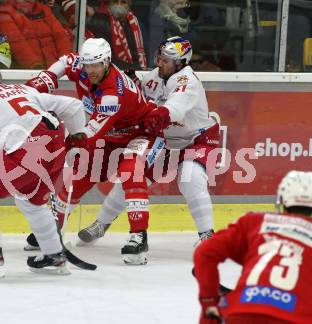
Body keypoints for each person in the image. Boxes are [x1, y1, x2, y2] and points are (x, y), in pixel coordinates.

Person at [26, 38, 159, 265]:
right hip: (111, 134)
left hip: (141, 133)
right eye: (87, 65)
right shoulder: (84, 67)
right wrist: (46, 78)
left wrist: (68, 143)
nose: (91, 70)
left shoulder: (113, 93)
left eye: (96, 65)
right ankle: (50, 229)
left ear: (107, 61)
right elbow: (66, 60)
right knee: (80, 175)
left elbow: (90, 132)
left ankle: (139, 236)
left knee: (130, 171)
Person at [77, 36, 219, 248]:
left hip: (196, 140)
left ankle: (208, 236)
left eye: (166, 61)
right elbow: (140, 100)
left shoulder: (187, 81)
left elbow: (176, 107)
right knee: (132, 178)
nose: (160, 63)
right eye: (159, 58)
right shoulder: (155, 76)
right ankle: (101, 223)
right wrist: (133, 85)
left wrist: (160, 113)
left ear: (180, 63)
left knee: (191, 179)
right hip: (164, 140)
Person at [0, 58, 87, 279]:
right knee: (30, 201)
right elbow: (74, 106)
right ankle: (53, 256)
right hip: (56, 146)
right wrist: (77, 137)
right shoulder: (22, 90)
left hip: (28, 150)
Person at [194, 170, 312, 324]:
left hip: (240, 313)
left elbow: (205, 252)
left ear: (281, 202)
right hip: (295, 318)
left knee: (211, 317)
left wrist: (209, 303)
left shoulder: (254, 221)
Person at [0, 0, 72, 69]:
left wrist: (64, 63)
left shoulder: (45, 10)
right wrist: (35, 67)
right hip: (28, 73)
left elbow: (61, 38)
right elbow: (17, 45)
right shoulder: (4, 12)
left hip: (57, 70)